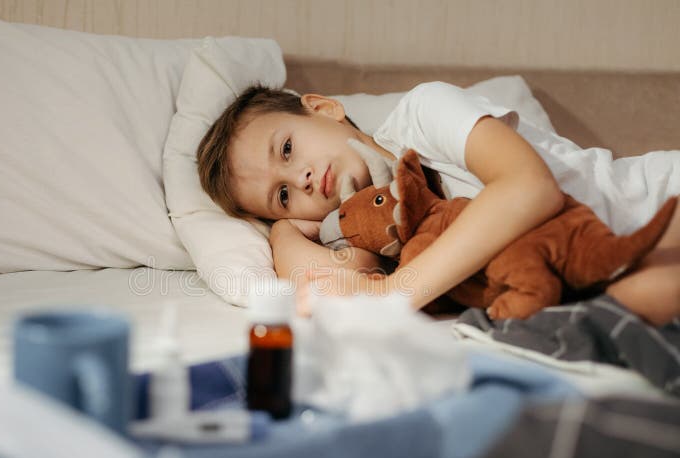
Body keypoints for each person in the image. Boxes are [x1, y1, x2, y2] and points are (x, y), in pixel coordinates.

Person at [197, 84, 680, 326]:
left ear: (323, 108)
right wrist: (281, 232)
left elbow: (531, 188)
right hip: (606, 277)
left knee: (636, 303)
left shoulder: (422, 115)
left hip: (656, 203)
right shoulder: (373, 231)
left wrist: (392, 296)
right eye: (281, 195)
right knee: (618, 318)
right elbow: (326, 290)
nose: (300, 179)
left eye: (286, 150)